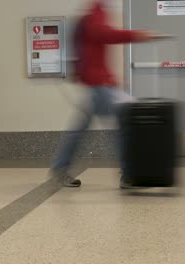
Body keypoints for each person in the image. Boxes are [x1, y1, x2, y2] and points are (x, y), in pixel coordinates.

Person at [50, 0, 156, 188]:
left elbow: (92, 46)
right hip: (99, 84)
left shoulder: (92, 13)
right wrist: (136, 35)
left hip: (98, 83)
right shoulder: (95, 12)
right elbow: (103, 34)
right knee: (123, 126)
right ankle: (129, 174)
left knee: (79, 129)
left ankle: (60, 169)